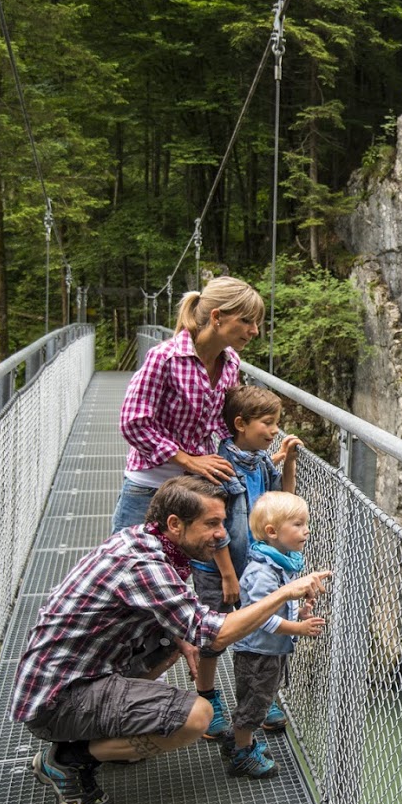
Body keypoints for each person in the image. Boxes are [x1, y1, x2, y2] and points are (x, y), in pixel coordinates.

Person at [12, 476, 330, 804]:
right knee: (196, 717)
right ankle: (68, 760)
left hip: (72, 675)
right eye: (211, 524)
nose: (222, 533)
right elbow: (214, 634)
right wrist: (284, 593)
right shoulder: (145, 566)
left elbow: (178, 620)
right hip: (57, 701)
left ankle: (103, 736)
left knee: (178, 642)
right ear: (175, 524)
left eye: (222, 522)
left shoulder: (145, 542)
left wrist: (182, 640)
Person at [113, 275, 263, 740]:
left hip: (202, 495)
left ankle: (220, 698)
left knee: (217, 594)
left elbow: (225, 426)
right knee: (128, 594)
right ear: (216, 317)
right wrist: (187, 458)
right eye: (247, 321)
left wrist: (258, 453)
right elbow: (132, 422)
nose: (254, 330)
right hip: (151, 489)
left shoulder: (231, 362)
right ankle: (110, 697)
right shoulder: (164, 358)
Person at [193, 385, 303, 731]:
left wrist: (288, 462)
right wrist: (227, 575)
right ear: (240, 423)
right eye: (268, 424)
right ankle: (207, 695)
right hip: (217, 568)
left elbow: (280, 504)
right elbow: (217, 528)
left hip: (251, 567)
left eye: (277, 424)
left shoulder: (257, 462)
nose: (274, 431)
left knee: (252, 630)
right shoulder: (221, 470)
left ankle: (256, 698)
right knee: (215, 635)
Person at [221, 492, 327, 777]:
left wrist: (300, 614)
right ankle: (243, 753)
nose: (306, 530)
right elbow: (261, 618)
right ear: (272, 531)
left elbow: (280, 604)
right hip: (258, 651)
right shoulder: (263, 572)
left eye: (306, 523)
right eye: (298, 524)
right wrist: (298, 629)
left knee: (259, 698)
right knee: (256, 701)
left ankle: (237, 740)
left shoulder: (281, 563)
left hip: (270, 650)